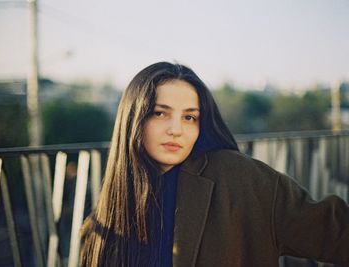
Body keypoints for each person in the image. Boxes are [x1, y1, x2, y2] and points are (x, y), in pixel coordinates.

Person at [79, 62, 349, 267]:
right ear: (133, 119)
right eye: (160, 113)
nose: (176, 129)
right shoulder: (97, 229)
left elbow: (336, 234)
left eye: (189, 117)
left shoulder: (240, 179)